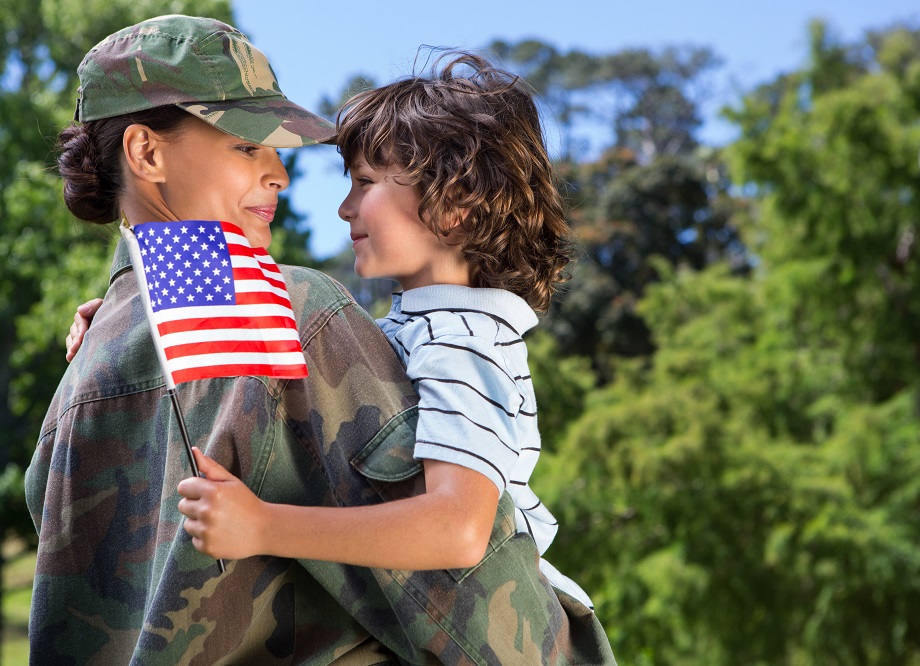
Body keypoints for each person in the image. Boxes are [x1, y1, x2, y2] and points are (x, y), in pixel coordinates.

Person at [41, 14, 615, 665]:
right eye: (246, 145)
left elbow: (457, 527)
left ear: (455, 206)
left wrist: (127, 311)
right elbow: (476, 606)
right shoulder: (299, 315)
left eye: (365, 184)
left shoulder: (82, 381)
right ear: (147, 153)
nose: (282, 176)